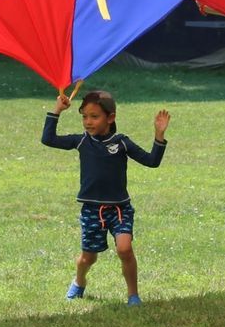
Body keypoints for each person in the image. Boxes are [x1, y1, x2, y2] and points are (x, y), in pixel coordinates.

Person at [43, 87, 168, 303]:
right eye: (84, 117)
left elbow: (152, 161)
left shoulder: (121, 143)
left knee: (125, 249)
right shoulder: (81, 141)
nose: (88, 122)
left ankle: (133, 296)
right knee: (88, 258)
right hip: (91, 209)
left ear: (111, 118)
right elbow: (48, 139)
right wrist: (57, 110)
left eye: (94, 116)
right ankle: (79, 282)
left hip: (119, 208)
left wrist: (159, 135)